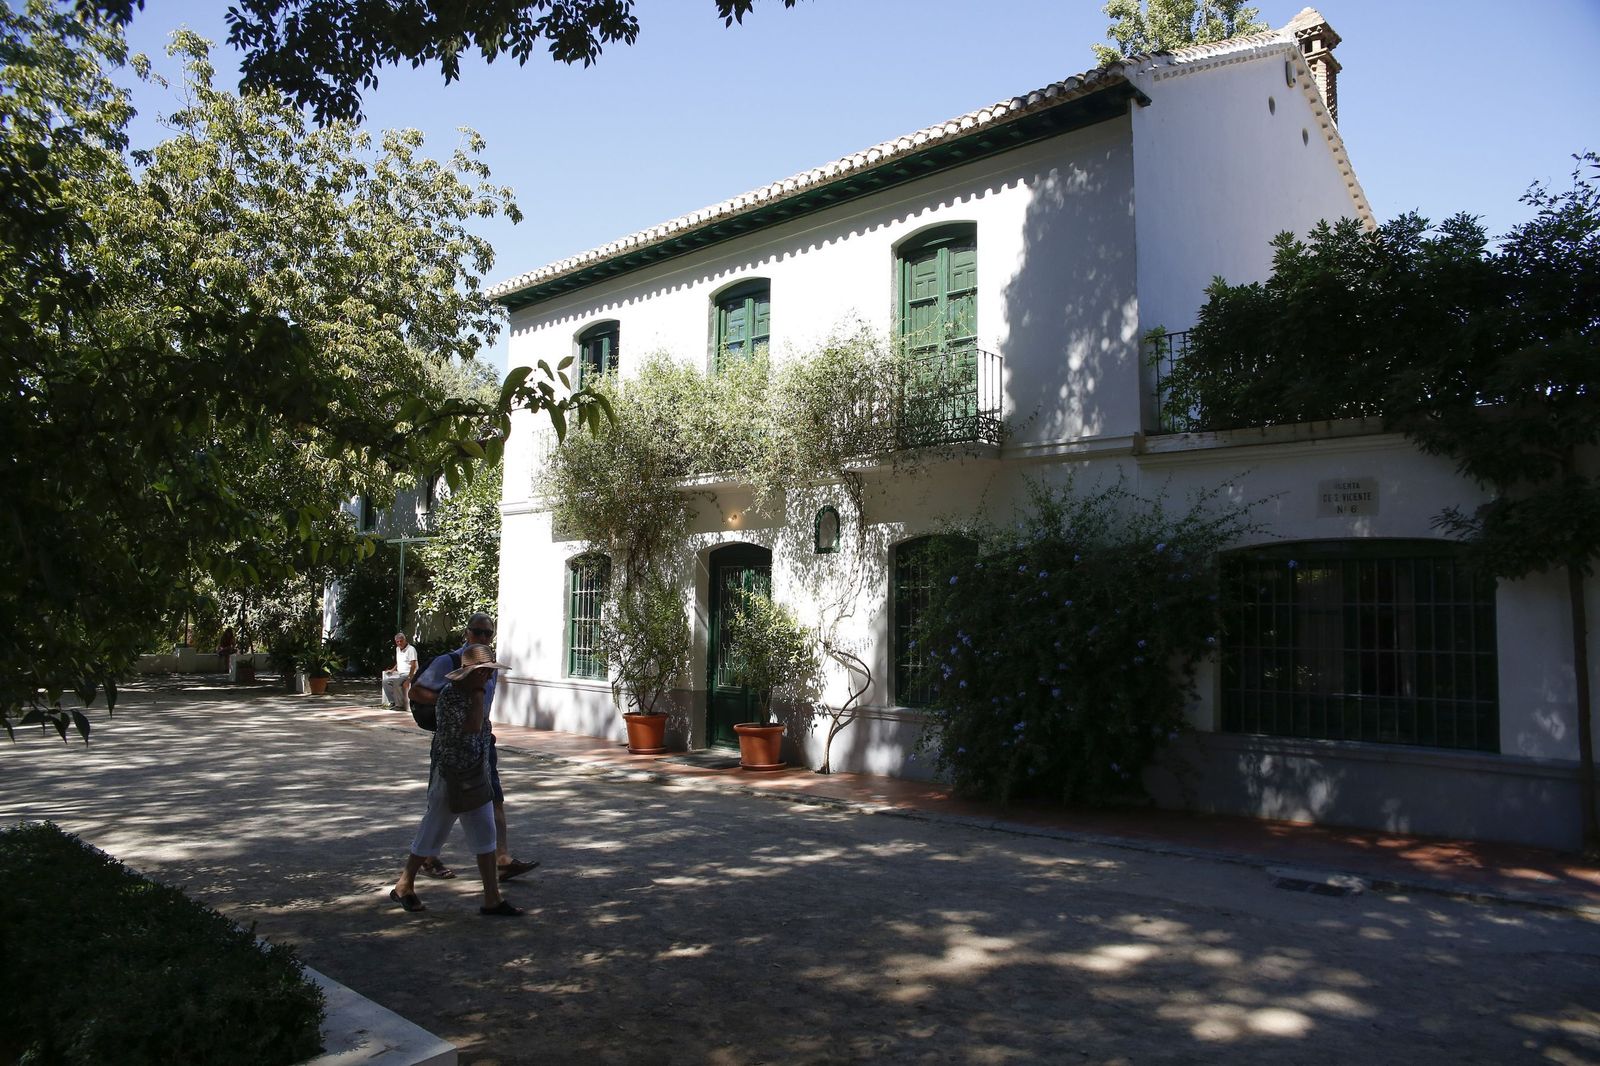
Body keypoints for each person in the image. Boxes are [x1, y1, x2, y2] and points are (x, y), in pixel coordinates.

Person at [390, 644, 523, 916]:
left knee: (486, 832)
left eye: (489, 672)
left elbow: (482, 732)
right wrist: (478, 696)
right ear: (473, 672)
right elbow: (472, 727)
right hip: (452, 777)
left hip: (475, 774)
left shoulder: (475, 692)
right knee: (433, 830)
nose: (488, 676)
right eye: (484, 672)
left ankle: (492, 898)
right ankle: (404, 884)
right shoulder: (451, 696)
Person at [408, 612, 538, 884]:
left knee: (493, 799)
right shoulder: (449, 662)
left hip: (481, 743)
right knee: (442, 805)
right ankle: (420, 867)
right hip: (453, 747)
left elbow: (482, 711)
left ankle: (501, 860)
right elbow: (416, 691)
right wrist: (454, 702)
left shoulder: (489, 666)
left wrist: (481, 726)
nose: (481, 637)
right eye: (477, 632)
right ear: (466, 632)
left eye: (487, 633)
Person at [381, 632, 418, 710]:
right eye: (397, 642)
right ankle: (393, 702)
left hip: (409, 673)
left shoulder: (411, 649)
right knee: (385, 681)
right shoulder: (397, 649)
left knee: (396, 682)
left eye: (401, 641)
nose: (399, 643)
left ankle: (400, 705)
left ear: (405, 640)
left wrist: (409, 677)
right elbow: (399, 662)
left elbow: (413, 665)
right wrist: (392, 670)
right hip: (400, 674)